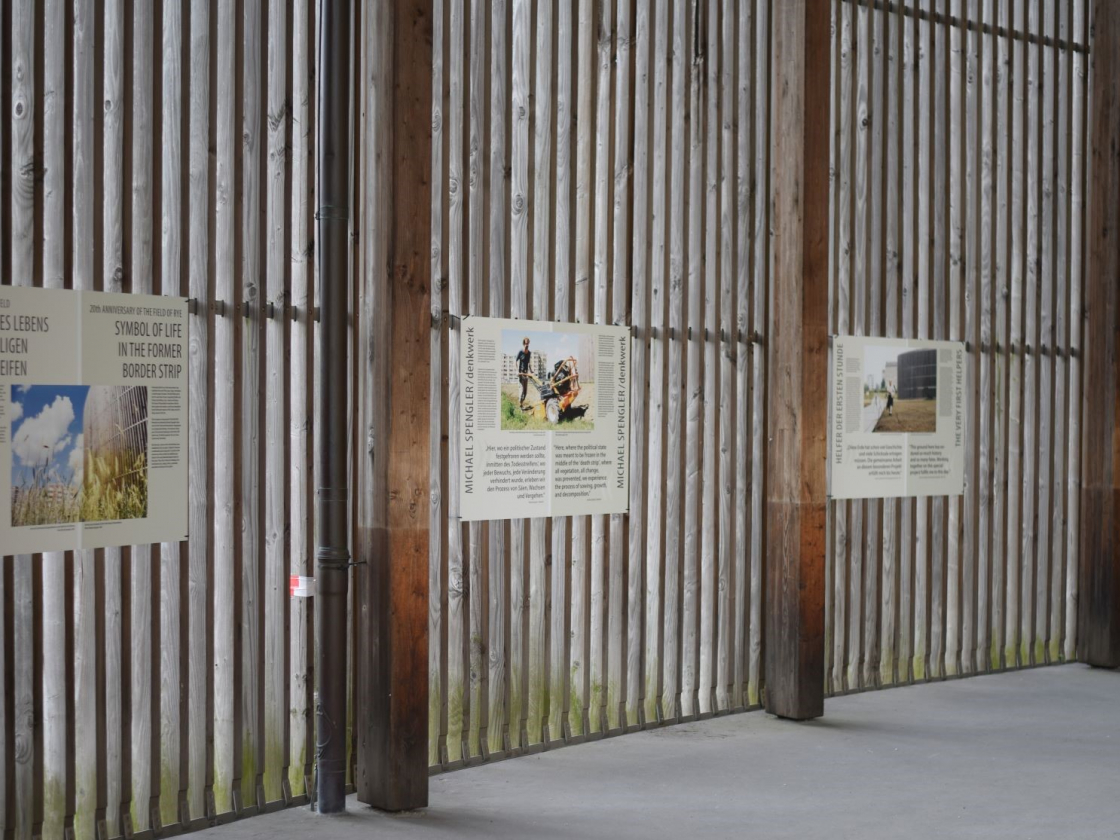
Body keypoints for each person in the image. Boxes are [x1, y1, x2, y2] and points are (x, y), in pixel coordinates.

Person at [517, 336, 532, 409]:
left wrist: (531, 370)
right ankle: (520, 406)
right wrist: (517, 370)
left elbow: (528, 362)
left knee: (525, 392)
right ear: (523, 344)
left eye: (528, 343)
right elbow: (516, 361)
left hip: (526, 373)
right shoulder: (520, 352)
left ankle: (521, 403)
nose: (527, 345)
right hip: (521, 373)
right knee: (521, 390)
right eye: (526, 343)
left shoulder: (529, 353)